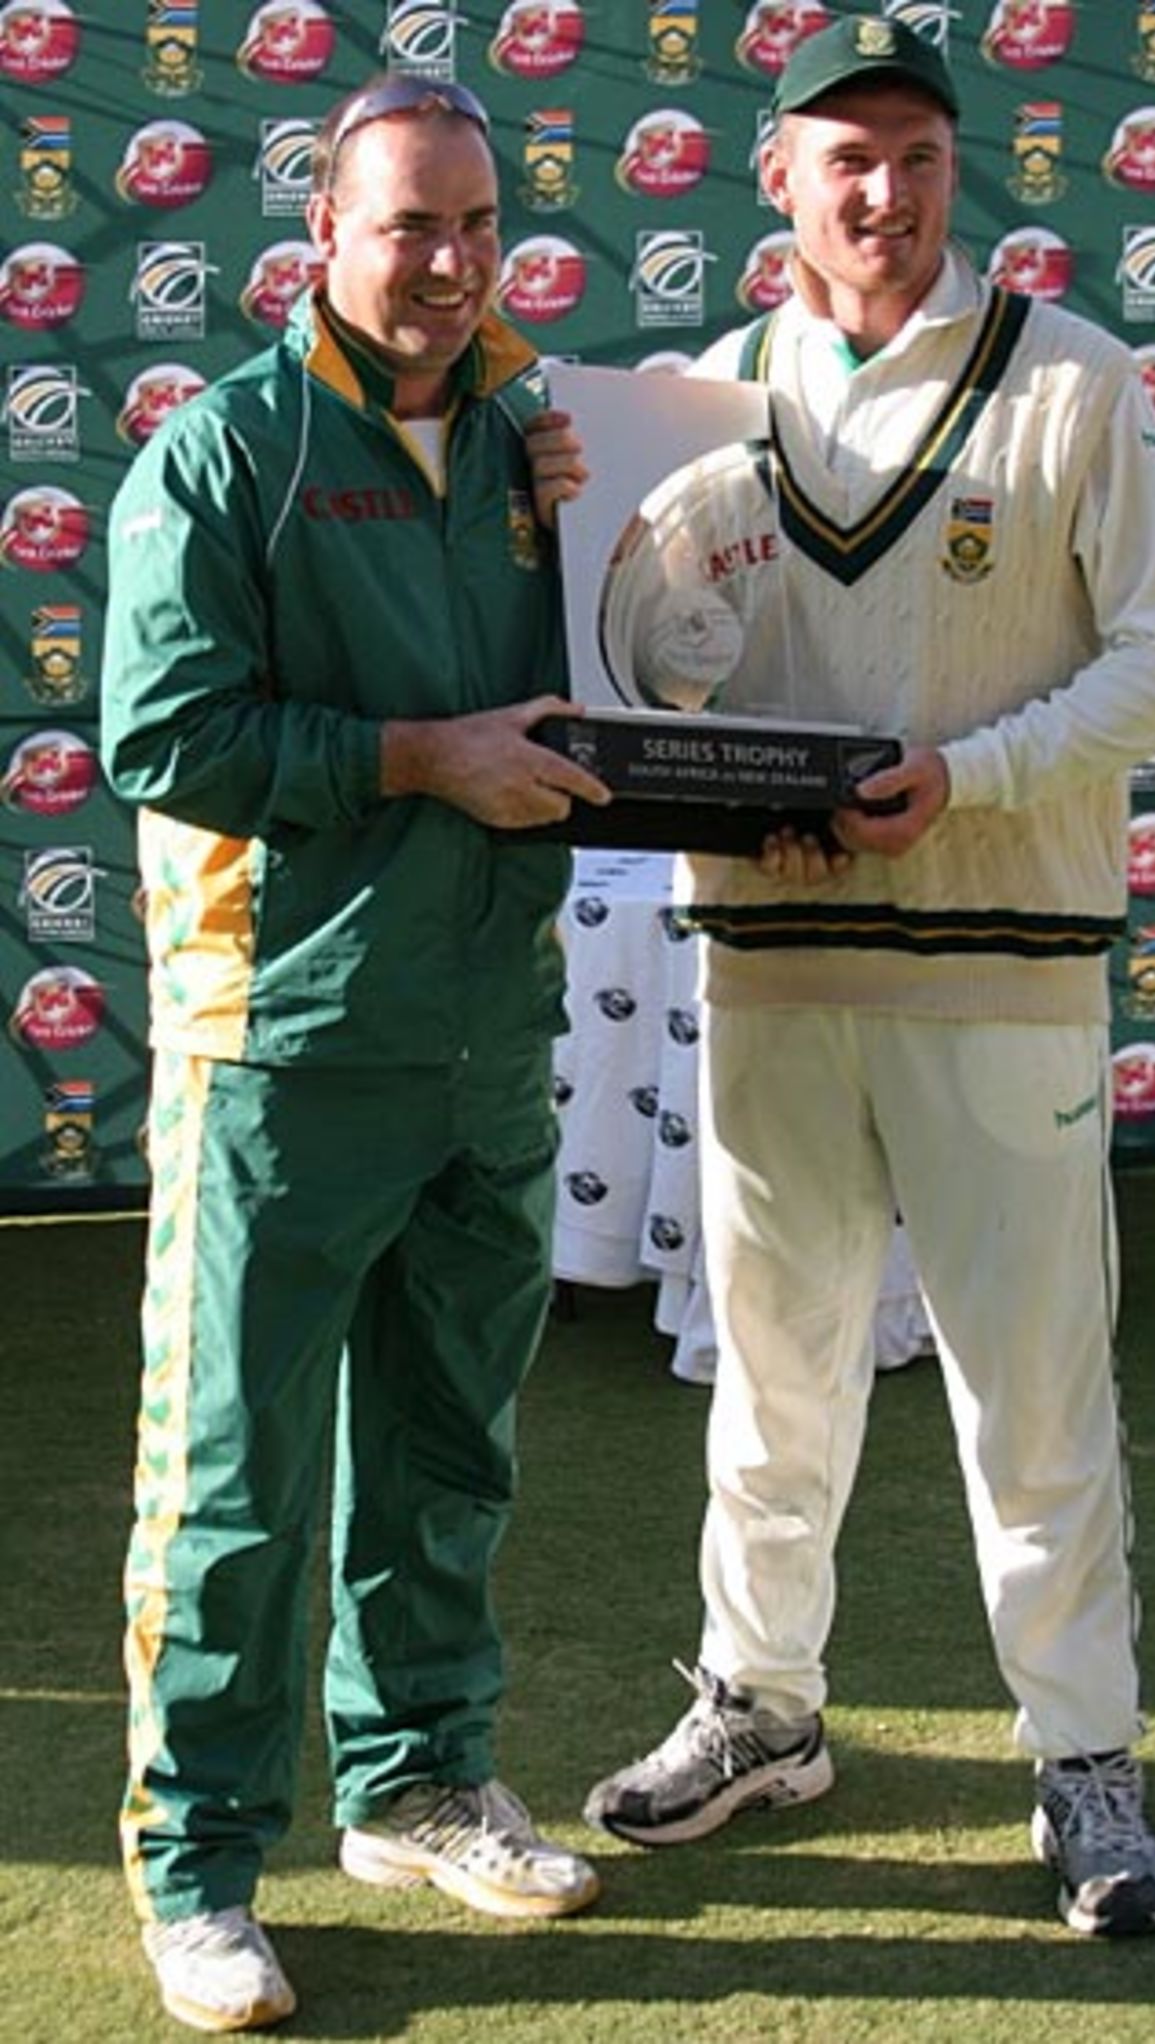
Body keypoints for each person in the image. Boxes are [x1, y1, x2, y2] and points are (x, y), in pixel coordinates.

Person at [529, 15, 1155, 1938]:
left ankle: (1083, 1757)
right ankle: (761, 1707)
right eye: (846, 157)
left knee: (1033, 1393)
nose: (886, 193)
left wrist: (982, 775)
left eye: (918, 155)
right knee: (771, 1378)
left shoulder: (1073, 382)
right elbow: (643, 660)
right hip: (771, 961)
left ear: (955, 170)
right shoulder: (694, 403)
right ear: (777, 180)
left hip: (1006, 970)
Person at [101, 73, 611, 2034]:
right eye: (411, 224)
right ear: (323, 231)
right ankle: (199, 1867)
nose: (451, 261)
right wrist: (420, 756)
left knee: (441, 1444)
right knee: (231, 1484)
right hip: (281, 1049)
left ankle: (416, 1781)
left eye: (480, 224)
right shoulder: (221, 456)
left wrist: (607, 515)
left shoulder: (529, 448)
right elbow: (167, 738)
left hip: (486, 1035)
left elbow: (621, 679)